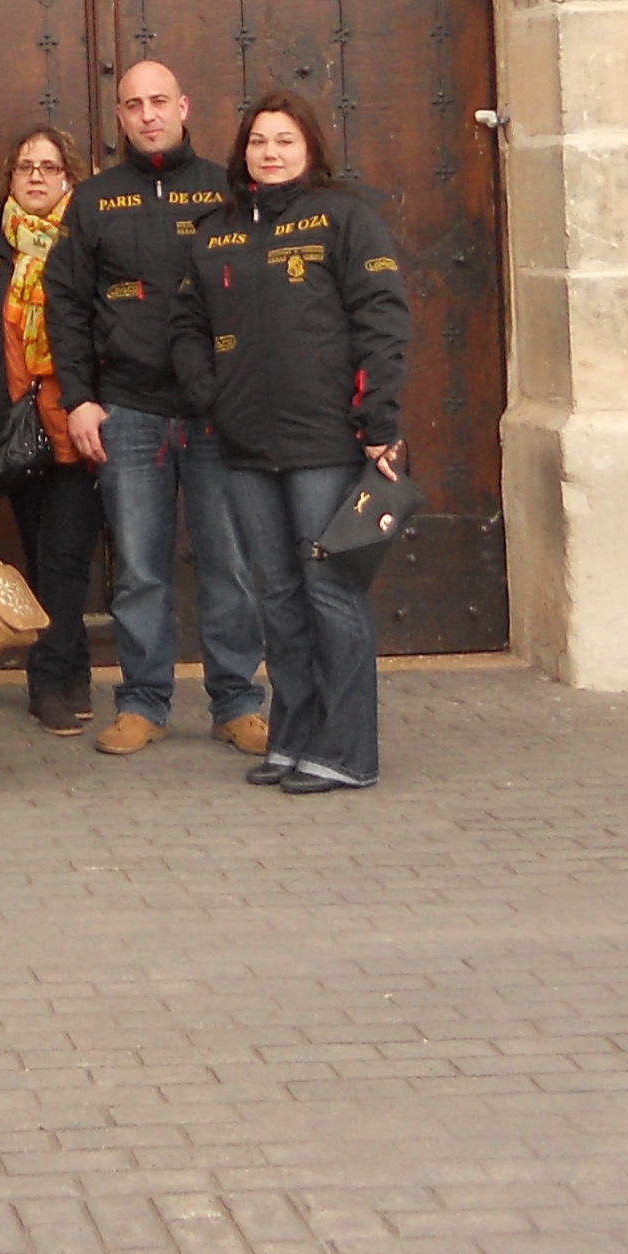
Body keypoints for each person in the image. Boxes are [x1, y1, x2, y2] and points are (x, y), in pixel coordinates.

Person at [174, 90, 413, 797]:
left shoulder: (346, 218)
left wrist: (380, 422)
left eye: (284, 140)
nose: (270, 152)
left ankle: (347, 751)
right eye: (258, 141)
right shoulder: (214, 230)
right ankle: (295, 739)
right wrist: (204, 388)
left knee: (328, 592)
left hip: (326, 443)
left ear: (309, 148)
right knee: (276, 596)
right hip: (244, 443)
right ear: (241, 151)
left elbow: (383, 320)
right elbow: (187, 321)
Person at [45, 59, 266, 762]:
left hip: (214, 411)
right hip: (129, 409)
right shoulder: (94, 201)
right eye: (133, 104)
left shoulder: (226, 193)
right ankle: (143, 701)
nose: (147, 114)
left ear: (184, 105)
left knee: (227, 562)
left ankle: (237, 703)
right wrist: (79, 398)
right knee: (139, 566)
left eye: (159, 101)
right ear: (119, 116)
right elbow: (67, 306)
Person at [0, 123, 102, 733]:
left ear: (69, 177)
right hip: (16, 430)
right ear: (10, 180)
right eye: (26, 168)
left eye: (49, 167)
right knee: (40, 555)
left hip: (77, 422)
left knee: (66, 556)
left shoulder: (92, 244)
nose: (37, 177)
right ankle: (72, 671)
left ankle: (48, 681)